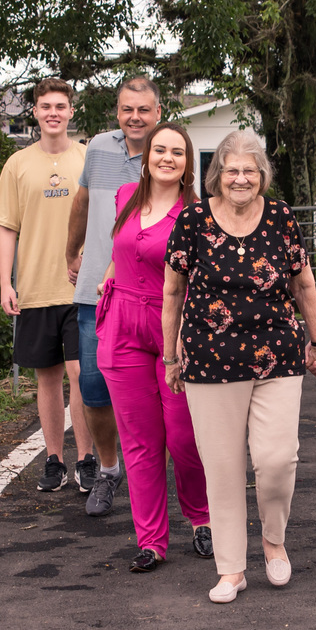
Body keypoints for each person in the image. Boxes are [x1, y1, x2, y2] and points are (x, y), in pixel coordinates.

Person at [163, 131, 316, 604]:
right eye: (232, 170)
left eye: (249, 171)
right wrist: (170, 355)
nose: (240, 179)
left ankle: (273, 541)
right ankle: (231, 568)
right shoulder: (193, 219)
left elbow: (304, 285)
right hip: (209, 360)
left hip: (278, 354)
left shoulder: (278, 218)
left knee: (277, 460)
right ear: (218, 175)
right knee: (222, 467)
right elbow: (173, 292)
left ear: (261, 176)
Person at [96, 123, 211, 572]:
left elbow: (198, 280)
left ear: (187, 164)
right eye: (159, 149)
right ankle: (152, 541)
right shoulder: (125, 195)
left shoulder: (196, 214)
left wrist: (187, 336)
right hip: (122, 323)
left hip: (173, 325)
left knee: (183, 437)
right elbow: (121, 248)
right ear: (145, 157)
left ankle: (201, 520)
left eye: (177, 152)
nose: (167, 157)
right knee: (140, 442)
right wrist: (109, 275)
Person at [0, 77, 93, 491]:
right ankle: (54, 460)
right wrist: (5, 283)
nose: (53, 112)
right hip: (34, 288)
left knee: (82, 374)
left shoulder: (88, 159)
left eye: (60, 106)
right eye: (45, 105)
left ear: (70, 112)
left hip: (80, 291)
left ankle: (86, 458)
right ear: (35, 112)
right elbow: (7, 229)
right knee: (46, 378)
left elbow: (106, 221)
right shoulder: (18, 164)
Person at [65, 76, 163, 517]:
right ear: (117, 111)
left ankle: (165, 484)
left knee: (166, 395)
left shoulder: (168, 152)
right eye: (127, 109)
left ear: (158, 112)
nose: (135, 117)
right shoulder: (99, 148)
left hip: (155, 295)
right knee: (93, 387)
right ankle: (107, 470)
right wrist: (72, 252)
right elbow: (82, 201)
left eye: (143, 110)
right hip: (96, 292)